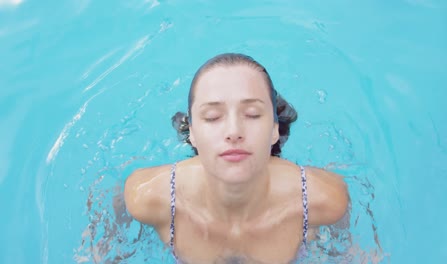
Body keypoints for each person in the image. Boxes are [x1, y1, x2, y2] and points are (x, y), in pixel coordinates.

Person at [124, 53, 349, 264]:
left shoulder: (323, 200)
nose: (233, 131)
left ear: (274, 129)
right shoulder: (148, 196)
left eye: (252, 114)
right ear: (191, 132)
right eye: (212, 117)